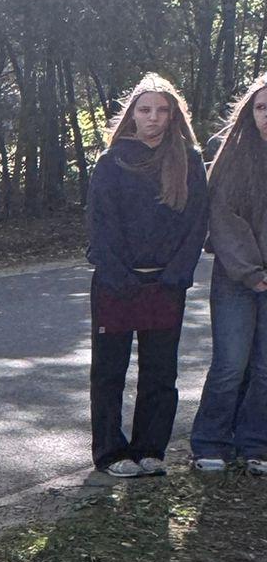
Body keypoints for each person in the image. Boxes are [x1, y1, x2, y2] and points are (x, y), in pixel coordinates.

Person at [85, 72, 208, 478]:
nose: (153, 117)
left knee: (160, 372)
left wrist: (177, 274)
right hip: (116, 284)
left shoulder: (188, 161)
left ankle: (150, 448)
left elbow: (196, 224)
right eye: (145, 109)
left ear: (173, 116)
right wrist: (118, 276)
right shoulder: (111, 162)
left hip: (165, 284)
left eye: (162, 110)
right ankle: (110, 452)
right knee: (109, 372)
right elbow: (100, 226)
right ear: (132, 115)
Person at [191, 76, 267, 473]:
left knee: (265, 369)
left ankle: (255, 443)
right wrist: (251, 272)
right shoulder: (232, 158)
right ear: (249, 113)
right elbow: (223, 220)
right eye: (261, 107)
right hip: (236, 279)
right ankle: (211, 442)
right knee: (230, 365)